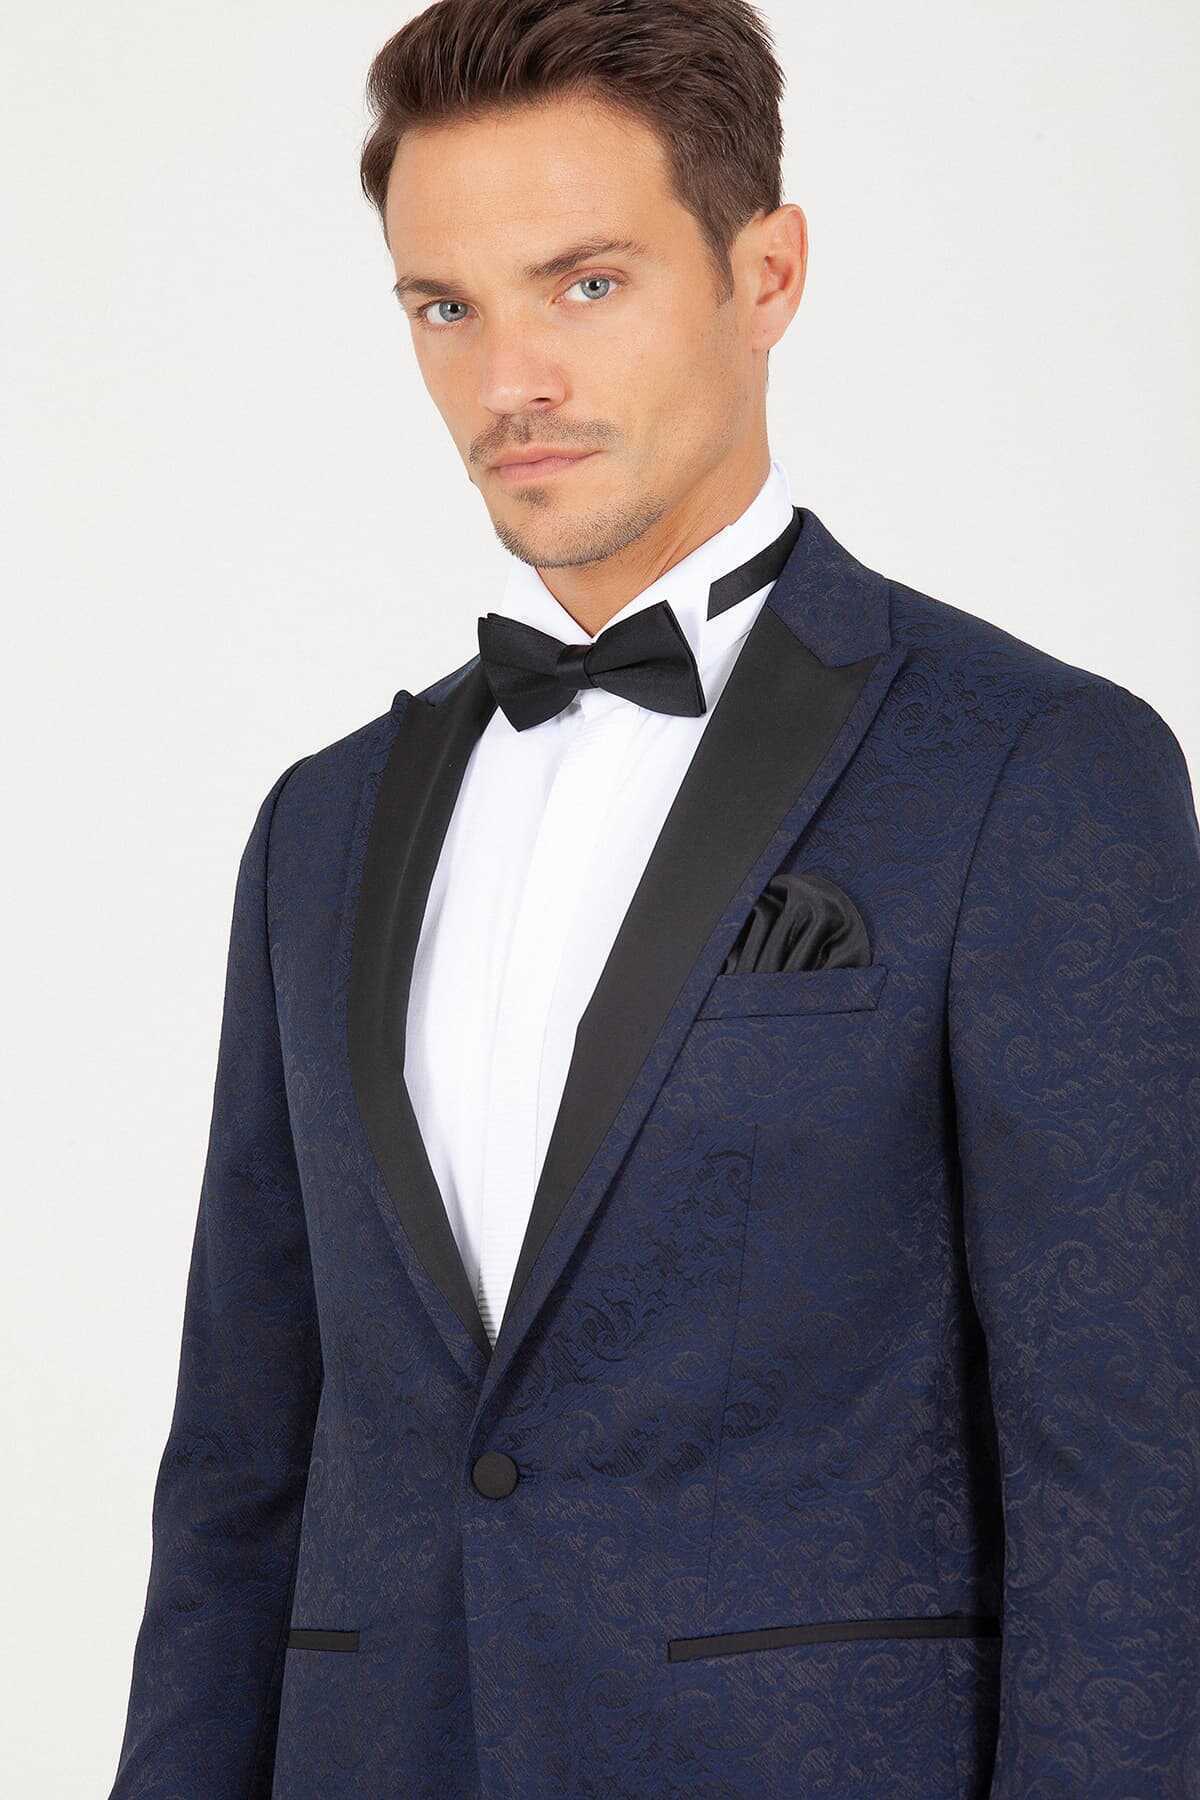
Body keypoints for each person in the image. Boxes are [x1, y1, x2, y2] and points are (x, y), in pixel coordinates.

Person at [108, 2, 1200, 1796]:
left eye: (587, 284)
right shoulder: (320, 827)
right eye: (445, 308)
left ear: (766, 275)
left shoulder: (1031, 769)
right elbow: (238, 1464)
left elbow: (1131, 1474)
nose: (508, 381)